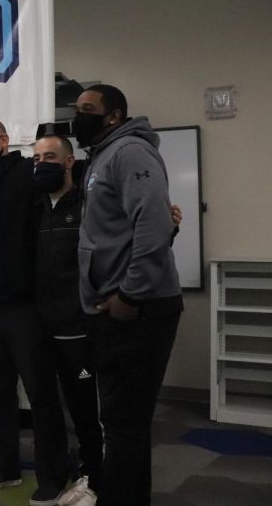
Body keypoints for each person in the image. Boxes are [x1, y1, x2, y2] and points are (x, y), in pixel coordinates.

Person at [73, 84, 183, 506]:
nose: (78, 116)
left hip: (138, 310)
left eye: (88, 109)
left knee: (121, 424)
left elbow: (152, 228)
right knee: (125, 423)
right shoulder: (102, 155)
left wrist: (129, 298)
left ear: (113, 116)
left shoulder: (129, 152)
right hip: (116, 308)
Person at [0, 118, 68, 506]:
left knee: (40, 395)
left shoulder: (27, 173)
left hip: (24, 308)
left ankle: (52, 475)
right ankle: (5, 467)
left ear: (3, 142)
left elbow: (73, 176)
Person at [32, 135, 102, 506]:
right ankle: (57, 474)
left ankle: (94, 478)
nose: (42, 162)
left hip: (79, 328)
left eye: (50, 157)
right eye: (37, 157)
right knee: (44, 408)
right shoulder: (34, 206)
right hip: (41, 328)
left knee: (86, 411)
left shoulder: (89, 204)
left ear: (69, 161)